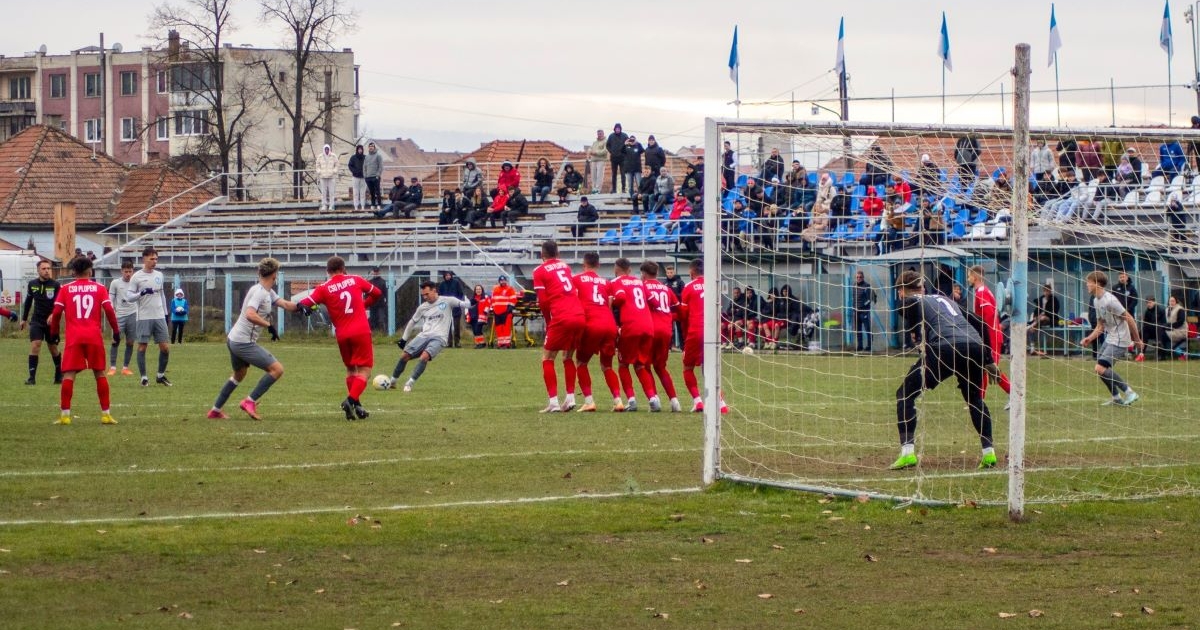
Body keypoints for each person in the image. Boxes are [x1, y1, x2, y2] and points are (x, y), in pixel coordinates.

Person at [890, 270, 997, 470]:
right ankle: (989, 452)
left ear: (901, 291)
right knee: (974, 398)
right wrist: (989, 359)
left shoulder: (914, 301)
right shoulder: (944, 300)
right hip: (975, 347)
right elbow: (981, 323)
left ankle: (907, 453)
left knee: (905, 394)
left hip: (945, 348)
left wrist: (912, 323)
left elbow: (906, 306)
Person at [207, 257, 302, 421]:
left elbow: (287, 305)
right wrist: (269, 325)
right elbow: (250, 314)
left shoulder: (265, 291)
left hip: (233, 339)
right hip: (243, 342)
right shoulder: (260, 293)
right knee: (277, 369)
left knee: (239, 374)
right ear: (274, 275)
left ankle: (215, 410)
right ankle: (249, 402)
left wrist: (304, 306)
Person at [297, 256, 383, 420]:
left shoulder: (323, 288)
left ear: (327, 271)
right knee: (365, 370)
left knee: (351, 369)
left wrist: (304, 307)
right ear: (344, 268)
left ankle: (357, 405)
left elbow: (305, 303)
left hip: (343, 334)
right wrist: (364, 304)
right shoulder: (355, 279)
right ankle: (350, 401)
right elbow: (377, 293)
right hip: (361, 331)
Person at [47, 256, 120, 426]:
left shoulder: (65, 289)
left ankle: (65, 415)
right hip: (94, 336)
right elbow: (109, 310)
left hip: (74, 337)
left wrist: (54, 333)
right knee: (99, 373)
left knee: (69, 374)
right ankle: (106, 414)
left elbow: (57, 313)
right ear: (90, 271)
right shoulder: (99, 288)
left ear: (73, 272)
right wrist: (116, 331)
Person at [532, 240, 587, 412]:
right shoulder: (565, 267)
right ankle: (570, 398)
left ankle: (554, 402)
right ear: (558, 253)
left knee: (547, 358)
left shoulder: (539, 271)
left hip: (561, 316)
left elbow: (542, 301)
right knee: (568, 356)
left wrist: (549, 321)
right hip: (578, 315)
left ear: (542, 255)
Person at [389, 281, 472, 392]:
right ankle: (392, 381)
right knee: (404, 356)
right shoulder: (422, 307)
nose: (425, 297)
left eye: (427, 294)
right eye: (423, 295)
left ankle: (409, 383)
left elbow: (465, 305)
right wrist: (404, 339)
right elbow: (412, 322)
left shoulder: (448, 301)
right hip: (424, 335)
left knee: (424, 356)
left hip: (439, 337)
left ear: (434, 290)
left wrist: (472, 300)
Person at [1080, 271, 1145, 406]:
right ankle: (1116, 398)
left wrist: (1137, 340)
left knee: (1100, 368)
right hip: (1111, 337)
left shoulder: (1110, 300)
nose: (1087, 285)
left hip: (1121, 339)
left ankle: (1129, 392)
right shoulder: (1096, 300)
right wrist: (1089, 338)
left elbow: (1130, 319)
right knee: (1100, 369)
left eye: (1089, 282)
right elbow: (1100, 325)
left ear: (1097, 283)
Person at [573, 252, 622, 412]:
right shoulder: (606, 282)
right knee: (607, 366)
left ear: (583, 264)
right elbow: (609, 305)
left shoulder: (577, 279)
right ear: (598, 265)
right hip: (609, 324)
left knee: (581, 362)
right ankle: (618, 401)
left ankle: (589, 401)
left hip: (591, 323)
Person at [677, 258, 728, 413]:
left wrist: (685, 338)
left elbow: (684, 315)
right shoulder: (714, 285)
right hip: (713, 331)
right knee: (710, 367)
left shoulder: (688, 287)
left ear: (692, 272)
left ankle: (698, 401)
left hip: (696, 331)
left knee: (687, 367)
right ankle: (721, 404)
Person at [610, 257, 658, 411]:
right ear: (630, 270)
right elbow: (653, 302)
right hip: (648, 327)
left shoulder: (616, 282)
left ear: (616, 269)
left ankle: (631, 400)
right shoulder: (639, 282)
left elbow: (621, 297)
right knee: (640, 365)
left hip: (631, 327)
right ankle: (652, 398)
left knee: (623, 364)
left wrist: (612, 303)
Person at [967, 266, 1013, 405]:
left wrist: (983, 332)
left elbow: (988, 315)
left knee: (990, 368)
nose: (968, 279)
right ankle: (980, 400)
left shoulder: (982, 292)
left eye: (969, 276)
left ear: (975, 277)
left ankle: (1014, 394)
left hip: (991, 337)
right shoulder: (982, 291)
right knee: (984, 368)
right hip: (989, 335)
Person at [126, 247, 171, 387]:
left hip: (159, 316)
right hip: (144, 317)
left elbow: (162, 294)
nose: (154, 261)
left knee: (165, 348)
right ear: (144, 259)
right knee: (142, 347)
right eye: (152, 259)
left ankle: (160, 375)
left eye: (156, 259)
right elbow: (129, 297)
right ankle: (144, 377)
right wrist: (142, 293)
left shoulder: (159, 275)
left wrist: (165, 312)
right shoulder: (136, 277)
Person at [641, 261, 681, 412]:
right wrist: (670, 317)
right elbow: (679, 309)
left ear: (643, 274)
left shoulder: (643, 286)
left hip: (651, 329)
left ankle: (655, 399)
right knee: (661, 367)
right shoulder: (666, 288)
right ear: (657, 274)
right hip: (666, 330)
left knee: (645, 365)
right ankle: (674, 401)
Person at [21, 259, 63, 385]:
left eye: (48, 269)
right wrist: (23, 319)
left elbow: (59, 304)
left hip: (52, 322)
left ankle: (58, 375)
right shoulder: (32, 284)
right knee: (36, 344)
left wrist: (53, 315)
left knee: (53, 348)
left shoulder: (55, 285)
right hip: (37, 321)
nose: (47, 271)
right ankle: (31, 378)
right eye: (44, 269)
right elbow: (28, 302)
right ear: (38, 270)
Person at [106, 261, 138, 376]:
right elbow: (110, 299)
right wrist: (112, 312)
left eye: (130, 271)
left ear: (133, 271)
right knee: (115, 341)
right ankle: (113, 367)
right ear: (121, 271)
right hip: (119, 316)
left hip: (133, 315)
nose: (128, 274)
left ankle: (125, 367)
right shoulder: (115, 283)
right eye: (126, 271)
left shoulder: (136, 283)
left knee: (130, 342)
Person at [1028, 281, 1060, 356]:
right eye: (1045, 291)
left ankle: (1033, 325)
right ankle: (1032, 348)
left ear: (1050, 291)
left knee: (1042, 319)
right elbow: (1036, 310)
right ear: (1043, 291)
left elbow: (1055, 311)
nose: (1046, 293)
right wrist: (1036, 316)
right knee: (1032, 329)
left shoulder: (1054, 300)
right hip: (1040, 319)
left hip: (1051, 319)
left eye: (1048, 291)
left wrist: (1045, 315)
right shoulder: (1040, 299)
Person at [436, 270, 466, 347]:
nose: (448, 276)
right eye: (446, 275)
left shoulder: (456, 283)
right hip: (446, 308)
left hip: (456, 307)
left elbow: (461, 294)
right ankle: (449, 342)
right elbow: (439, 296)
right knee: (447, 326)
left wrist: (457, 302)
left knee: (456, 326)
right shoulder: (442, 284)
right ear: (444, 276)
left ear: (451, 276)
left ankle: (457, 342)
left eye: (449, 275)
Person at [490, 275, 519, 348]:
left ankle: (506, 344)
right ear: (499, 281)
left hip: (506, 311)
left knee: (506, 328)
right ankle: (500, 343)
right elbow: (492, 299)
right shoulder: (495, 289)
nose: (502, 282)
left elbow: (513, 299)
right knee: (499, 328)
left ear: (506, 281)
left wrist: (510, 308)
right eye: (501, 280)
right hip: (497, 312)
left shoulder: (510, 289)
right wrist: (492, 308)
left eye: (504, 280)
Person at [663, 264, 685, 349]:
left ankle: (682, 346)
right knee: (669, 329)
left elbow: (683, 293)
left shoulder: (679, 282)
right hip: (668, 309)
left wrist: (674, 295)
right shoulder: (664, 283)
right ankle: (669, 346)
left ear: (674, 272)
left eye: (671, 272)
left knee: (680, 328)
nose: (669, 274)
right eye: (668, 272)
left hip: (677, 309)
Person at [853, 270, 875, 353]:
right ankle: (860, 346)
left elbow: (870, 299)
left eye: (860, 277)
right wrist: (854, 307)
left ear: (863, 277)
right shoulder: (854, 286)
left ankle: (869, 346)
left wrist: (863, 306)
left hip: (864, 311)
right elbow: (854, 298)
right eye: (857, 277)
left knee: (867, 329)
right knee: (858, 330)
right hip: (856, 311)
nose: (858, 278)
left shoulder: (867, 286)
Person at [315, 144, 340, 211]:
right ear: (324, 149)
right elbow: (317, 165)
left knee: (331, 192)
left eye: (327, 149)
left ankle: (331, 205)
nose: (326, 150)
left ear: (329, 149)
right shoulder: (320, 156)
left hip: (331, 177)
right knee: (323, 192)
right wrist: (319, 171)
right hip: (323, 177)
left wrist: (334, 171)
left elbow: (337, 165)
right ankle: (324, 205)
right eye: (325, 149)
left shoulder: (333, 156)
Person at [605, 123, 628, 193]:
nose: (617, 130)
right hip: (614, 158)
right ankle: (614, 189)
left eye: (619, 128)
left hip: (622, 159)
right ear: (614, 129)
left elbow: (628, 144)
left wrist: (624, 152)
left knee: (623, 174)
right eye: (616, 128)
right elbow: (607, 145)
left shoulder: (624, 135)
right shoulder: (611, 136)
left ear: (620, 129)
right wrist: (611, 151)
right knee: (614, 174)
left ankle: (623, 189)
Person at [621, 135, 645, 201]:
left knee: (639, 184)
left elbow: (643, 150)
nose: (632, 141)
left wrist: (637, 143)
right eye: (630, 139)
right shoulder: (626, 146)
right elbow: (621, 151)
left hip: (637, 168)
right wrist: (625, 144)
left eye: (633, 139)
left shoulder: (638, 145)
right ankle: (632, 198)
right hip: (628, 169)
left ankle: (640, 197)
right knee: (630, 185)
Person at [363, 142, 384, 209]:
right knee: (371, 192)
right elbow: (364, 166)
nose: (371, 147)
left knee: (377, 191)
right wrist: (365, 175)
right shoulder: (367, 156)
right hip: (368, 177)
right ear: (368, 148)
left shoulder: (378, 156)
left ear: (374, 147)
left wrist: (378, 175)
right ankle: (373, 204)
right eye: (370, 146)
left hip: (375, 177)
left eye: (372, 146)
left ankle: (379, 204)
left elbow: (381, 166)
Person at [368, 267, 388, 333]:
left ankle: (383, 333)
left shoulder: (383, 282)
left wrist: (386, 302)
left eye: (377, 271)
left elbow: (386, 293)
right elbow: (367, 293)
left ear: (379, 272)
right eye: (375, 271)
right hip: (372, 304)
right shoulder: (370, 282)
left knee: (381, 320)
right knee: (372, 320)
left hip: (381, 304)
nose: (376, 273)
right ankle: (373, 333)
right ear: (373, 272)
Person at [588, 129, 608, 193]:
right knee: (593, 175)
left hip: (601, 160)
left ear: (603, 133)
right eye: (598, 134)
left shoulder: (606, 141)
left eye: (600, 133)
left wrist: (595, 152)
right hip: (593, 160)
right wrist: (589, 150)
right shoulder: (594, 142)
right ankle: (593, 189)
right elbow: (591, 148)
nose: (599, 135)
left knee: (599, 175)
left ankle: (598, 189)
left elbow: (605, 151)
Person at [348, 144, 366, 211]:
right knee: (355, 192)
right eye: (359, 149)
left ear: (362, 150)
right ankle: (356, 206)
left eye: (361, 149)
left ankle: (362, 206)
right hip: (355, 177)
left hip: (363, 177)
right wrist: (354, 171)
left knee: (362, 192)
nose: (360, 150)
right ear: (357, 150)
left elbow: (367, 166)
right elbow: (350, 165)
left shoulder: (365, 157)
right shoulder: (353, 157)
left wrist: (365, 172)